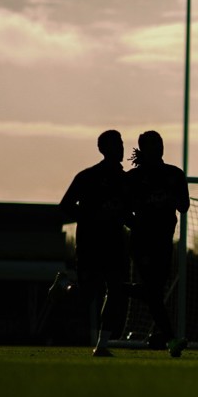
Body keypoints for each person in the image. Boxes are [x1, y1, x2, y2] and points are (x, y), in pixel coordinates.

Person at [59, 130, 131, 357]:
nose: (120, 148)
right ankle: (62, 287)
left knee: (116, 290)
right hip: (90, 244)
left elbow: (127, 212)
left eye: (120, 143)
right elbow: (65, 206)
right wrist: (91, 215)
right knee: (87, 294)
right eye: (115, 144)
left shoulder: (125, 180)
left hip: (115, 245)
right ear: (103, 149)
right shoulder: (87, 177)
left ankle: (102, 344)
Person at [126, 130, 190, 358]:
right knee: (153, 293)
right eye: (153, 145)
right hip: (142, 243)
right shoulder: (134, 178)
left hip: (164, 242)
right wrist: (139, 225)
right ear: (144, 149)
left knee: (153, 293)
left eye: (160, 144)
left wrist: (170, 197)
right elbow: (122, 210)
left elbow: (184, 206)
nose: (158, 148)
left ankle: (111, 286)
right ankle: (171, 339)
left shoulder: (174, 174)